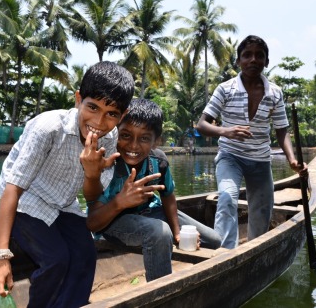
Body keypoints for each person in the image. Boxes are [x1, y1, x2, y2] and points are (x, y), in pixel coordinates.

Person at [0, 61, 135, 307]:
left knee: (85, 256)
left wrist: (92, 174)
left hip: (63, 202)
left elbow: (93, 195)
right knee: (56, 260)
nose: (99, 121)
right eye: (92, 107)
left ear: (123, 115)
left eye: (112, 114)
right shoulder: (49, 128)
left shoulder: (111, 136)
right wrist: (0, 257)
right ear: (78, 99)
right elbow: (13, 189)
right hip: (27, 198)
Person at [86, 98, 221, 281]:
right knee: (159, 233)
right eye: (126, 135)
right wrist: (121, 201)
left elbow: (168, 196)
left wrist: (177, 232)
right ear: (116, 133)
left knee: (213, 240)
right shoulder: (109, 163)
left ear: (156, 141)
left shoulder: (159, 160)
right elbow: (92, 223)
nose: (133, 146)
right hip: (113, 221)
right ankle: (162, 290)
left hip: (151, 212)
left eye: (144, 138)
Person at [196, 35, 307, 249]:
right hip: (230, 157)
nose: (253, 60)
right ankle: (225, 253)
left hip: (260, 160)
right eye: (247, 55)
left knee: (263, 208)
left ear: (266, 61)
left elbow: (282, 129)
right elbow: (202, 124)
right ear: (238, 61)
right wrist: (226, 131)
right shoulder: (225, 89)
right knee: (227, 198)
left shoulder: (275, 93)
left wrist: (292, 159)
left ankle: (254, 249)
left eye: (259, 55)